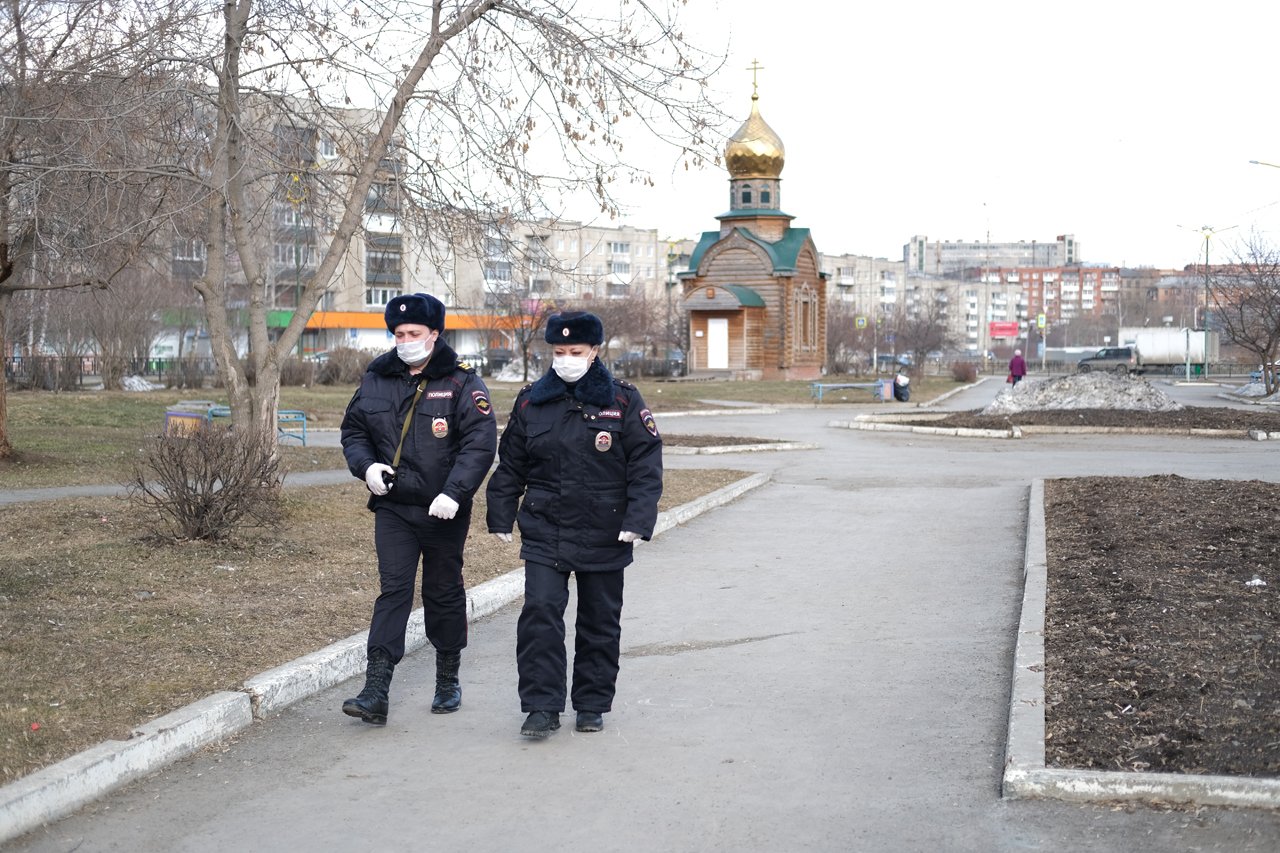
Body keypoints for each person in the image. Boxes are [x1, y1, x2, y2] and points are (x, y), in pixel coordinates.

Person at [486, 311, 663, 738]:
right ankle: (542, 707)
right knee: (540, 615)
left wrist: (638, 519)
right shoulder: (532, 401)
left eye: (575, 352)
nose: (566, 359)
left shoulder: (622, 400)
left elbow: (645, 464)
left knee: (600, 620)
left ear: (595, 351)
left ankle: (591, 703)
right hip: (546, 527)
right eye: (559, 352)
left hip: (607, 528)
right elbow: (511, 461)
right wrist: (500, 512)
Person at [339, 293, 497, 725]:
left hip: (443, 509)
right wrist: (366, 466)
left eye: (413, 333)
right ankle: (376, 690)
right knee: (394, 590)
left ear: (434, 335)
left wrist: (455, 492)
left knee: (442, 592)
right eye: (398, 333)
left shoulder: (462, 382)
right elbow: (354, 431)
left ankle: (447, 677)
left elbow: (480, 443)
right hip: (394, 508)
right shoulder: (377, 378)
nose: (404, 340)